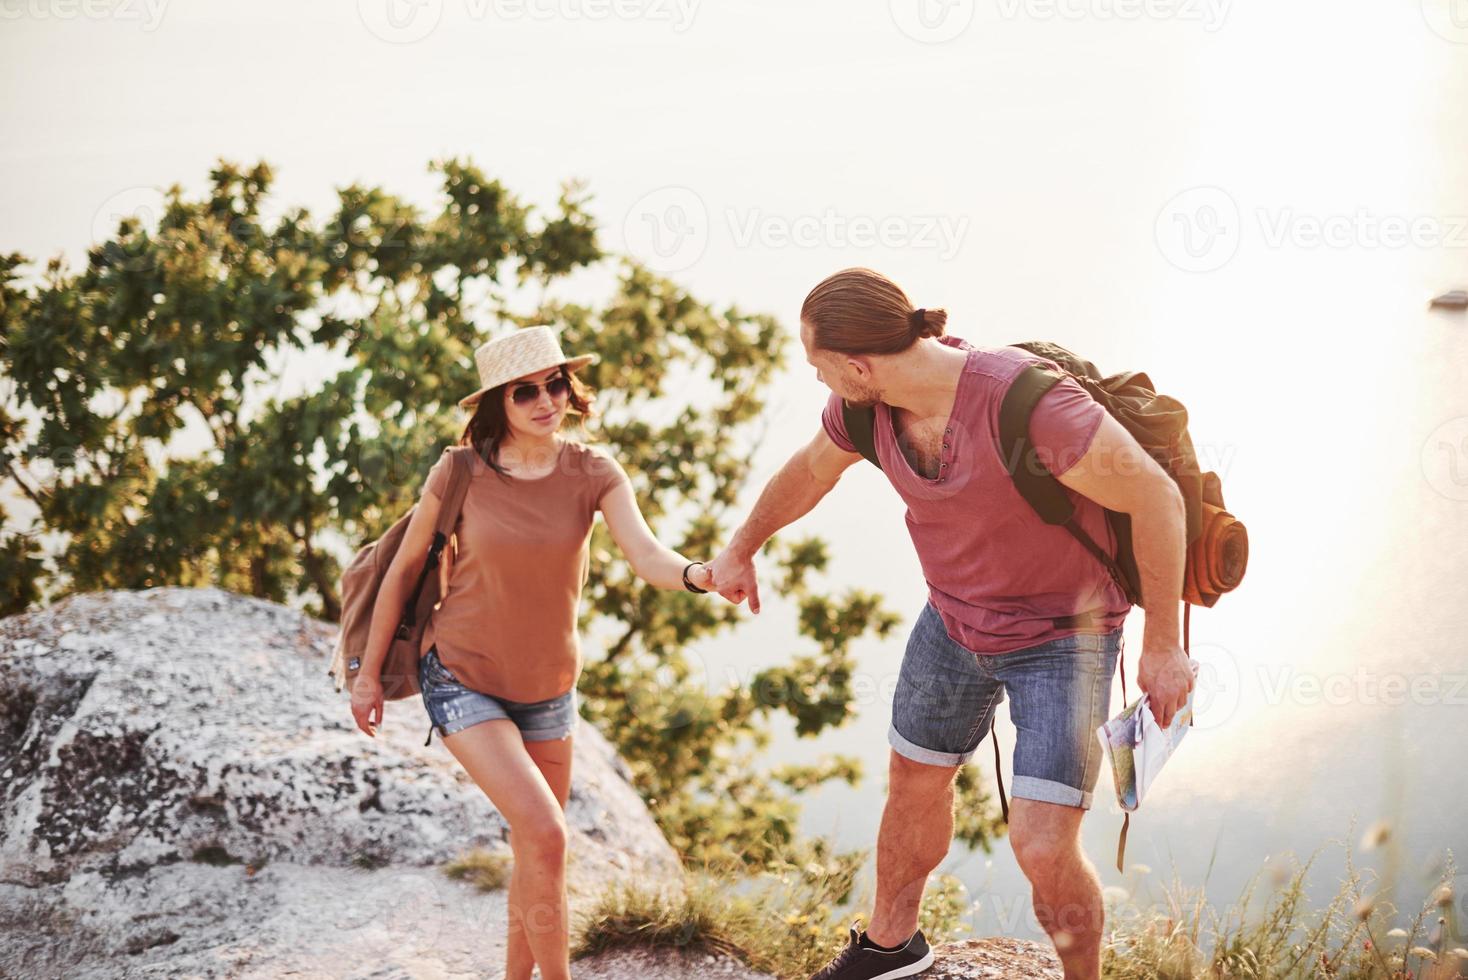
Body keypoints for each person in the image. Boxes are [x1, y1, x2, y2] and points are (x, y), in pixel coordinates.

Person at [707, 269, 1195, 980]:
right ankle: (891, 945)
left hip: (1067, 638)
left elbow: (1154, 498)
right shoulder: (865, 413)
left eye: (818, 367)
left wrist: (1163, 646)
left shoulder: (1029, 406)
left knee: (1040, 843)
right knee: (913, 779)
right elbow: (811, 472)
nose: (820, 382)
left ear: (856, 364)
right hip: (953, 621)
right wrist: (741, 547)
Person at [349, 325, 719, 980]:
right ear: (499, 404)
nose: (546, 400)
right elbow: (402, 572)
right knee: (548, 835)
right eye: (526, 392)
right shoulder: (460, 470)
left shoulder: (594, 472)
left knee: (535, 850)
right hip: (462, 675)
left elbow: (646, 555)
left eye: (555, 384)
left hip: (549, 690)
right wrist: (367, 675)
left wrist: (697, 574)